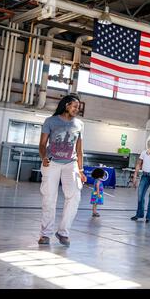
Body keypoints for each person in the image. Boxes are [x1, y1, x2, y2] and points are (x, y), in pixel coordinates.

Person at [38, 95, 87, 247]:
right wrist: (44, 157)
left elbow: (79, 149)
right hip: (51, 163)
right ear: (66, 105)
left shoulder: (79, 124)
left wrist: (81, 169)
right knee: (49, 198)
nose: (77, 109)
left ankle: (63, 232)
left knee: (74, 196)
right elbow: (42, 143)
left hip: (70, 164)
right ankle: (45, 234)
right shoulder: (51, 121)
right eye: (75, 106)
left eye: (78, 107)